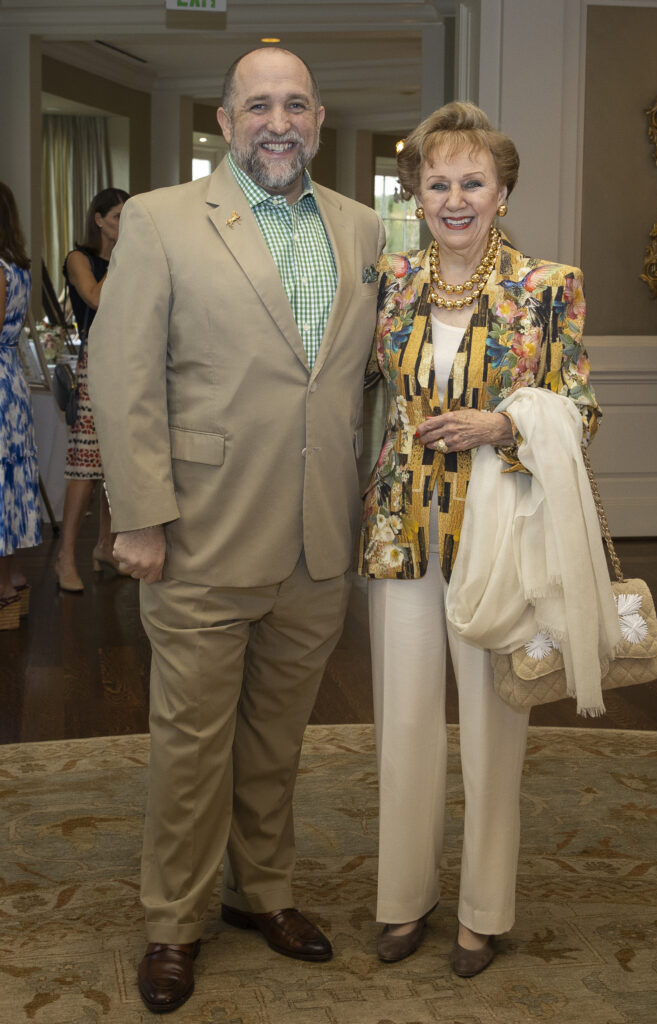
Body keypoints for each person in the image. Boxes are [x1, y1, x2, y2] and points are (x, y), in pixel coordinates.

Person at [89, 47, 385, 1014]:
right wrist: (138, 517)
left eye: (294, 102)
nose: (277, 120)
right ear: (224, 120)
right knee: (190, 743)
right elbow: (122, 371)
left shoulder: (364, 228)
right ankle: (173, 922)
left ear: (319, 115)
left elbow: (368, 383)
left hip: (317, 538)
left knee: (277, 738)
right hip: (202, 535)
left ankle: (264, 894)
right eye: (257, 104)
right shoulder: (164, 220)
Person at [359, 101, 601, 976]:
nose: (454, 199)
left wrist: (504, 425)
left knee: (497, 726)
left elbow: (581, 407)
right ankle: (403, 900)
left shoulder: (547, 285)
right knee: (405, 723)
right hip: (400, 531)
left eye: (472, 183)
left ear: (501, 192)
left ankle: (483, 912)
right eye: (437, 184)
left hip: (501, 529)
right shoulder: (388, 280)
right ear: (415, 194)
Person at [54, 187, 129, 592]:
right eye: (117, 217)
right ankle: (65, 555)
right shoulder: (79, 259)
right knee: (85, 467)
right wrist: (123, 258)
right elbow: (96, 298)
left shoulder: (130, 257)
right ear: (98, 219)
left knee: (116, 467)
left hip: (128, 366)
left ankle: (106, 544)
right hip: (95, 363)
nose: (123, 225)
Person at [0, 182, 41, 629]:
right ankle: (13, 579)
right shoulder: (17, 267)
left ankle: (3, 589)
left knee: (1, 482)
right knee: (8, 478)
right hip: (9, 377)